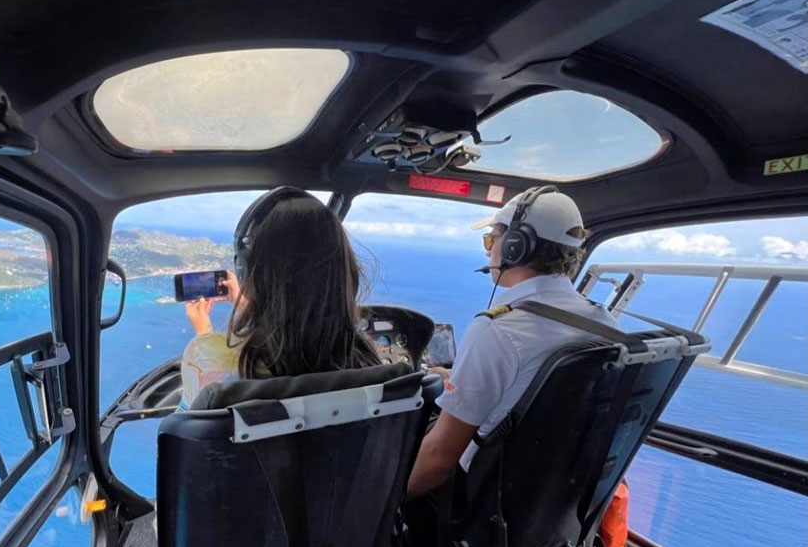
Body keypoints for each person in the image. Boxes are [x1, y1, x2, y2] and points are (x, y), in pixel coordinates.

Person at [406, 186, 620, 499]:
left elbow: (438, 460)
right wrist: (458, 381)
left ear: (516, 246)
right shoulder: (606, 325)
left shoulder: (498, 330)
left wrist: (381, 508)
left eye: (491, 238)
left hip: (476, 502)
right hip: (546, 500)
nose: (487, 249)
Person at [177, 187, 380, 410]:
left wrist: (203, 330)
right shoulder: (367, 362)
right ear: (346, 273)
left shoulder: (206, 357)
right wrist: (248, 305)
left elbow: (186, 424)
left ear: (247, 272)